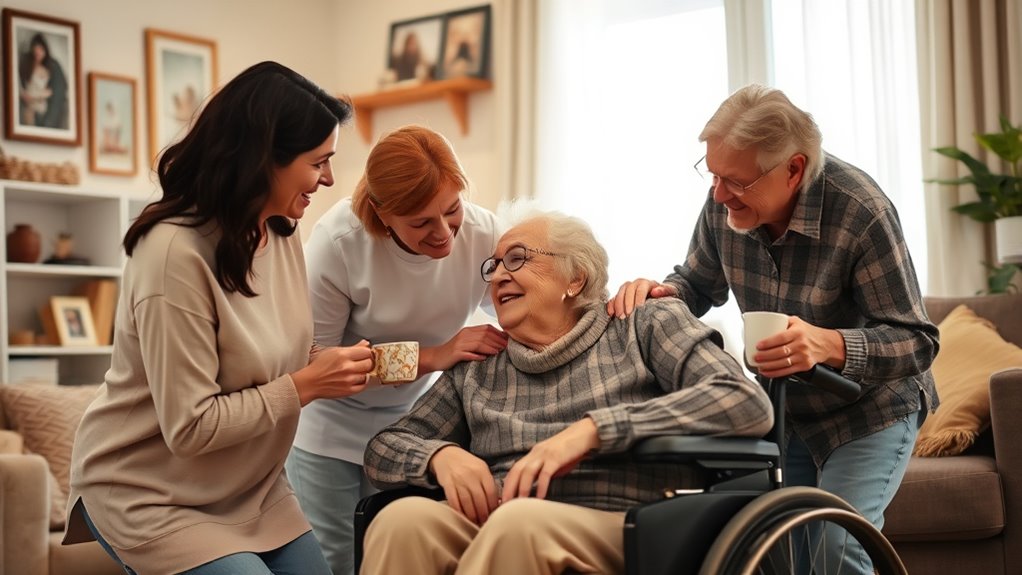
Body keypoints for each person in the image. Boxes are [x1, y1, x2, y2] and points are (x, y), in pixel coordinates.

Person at [607, 83, 939, 574]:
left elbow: (917, 340)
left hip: (871, 410)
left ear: (794, 169)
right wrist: (660, 294)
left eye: (735, 181)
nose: (719, 194)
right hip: (785, 411)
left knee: (834, 546)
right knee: (782, 553)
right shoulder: (724, 204)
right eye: (713, 175)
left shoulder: (861, 211)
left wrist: (828, 344)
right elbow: (696, 284)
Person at [62, 61, 359, 575]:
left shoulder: (280, 233)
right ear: (265, 158)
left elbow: (265, 357)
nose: (329, 179)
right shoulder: (173, 253)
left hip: (252, 490)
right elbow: (191, 426)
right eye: (319, 161)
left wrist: (328, 366)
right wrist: (306, 385)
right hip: (151, 495)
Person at [360, 211, 773, 574]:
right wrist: (440, 455)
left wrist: (593, 431)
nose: (500, 275)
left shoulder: (641, 323)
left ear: (575, 278)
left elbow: (742, 400)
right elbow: (384, 448)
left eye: (518, 258)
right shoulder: (479, 367)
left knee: (518, 526)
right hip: (504, 519)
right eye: (494, 266)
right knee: (403, 521)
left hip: (631, 523)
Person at [287, 124, 508, 575]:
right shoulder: (339, 243)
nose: (444, 233)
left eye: (452, 210)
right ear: (383, 215)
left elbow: (519, 305)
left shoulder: (484, 234)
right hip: (328, 428)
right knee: (335, 563)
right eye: (421, 223)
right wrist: (435, 355)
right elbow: (316, 364)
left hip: (408, 431)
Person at [18, 33, 68, 128]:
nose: (38, 54)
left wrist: (34, 97)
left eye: (40, 50)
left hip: (41, 104)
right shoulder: (27, 65)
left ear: (44, 50)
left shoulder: (51, 67)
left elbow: (52, 91)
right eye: (35, 52)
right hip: (29, 105)